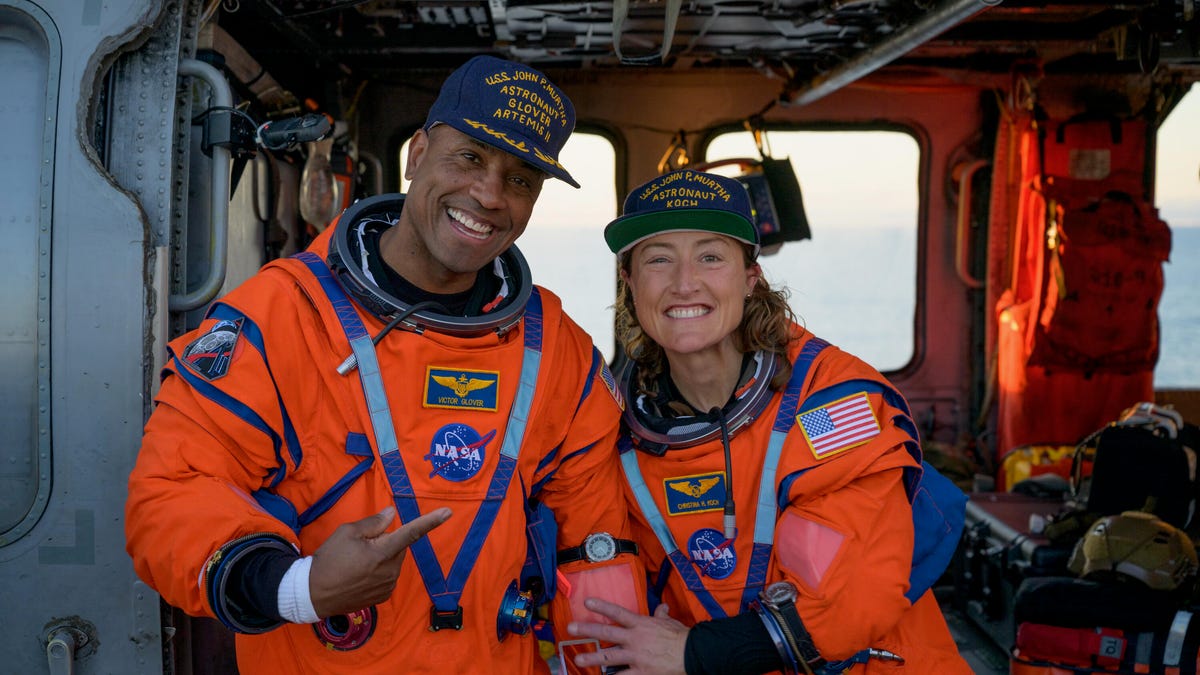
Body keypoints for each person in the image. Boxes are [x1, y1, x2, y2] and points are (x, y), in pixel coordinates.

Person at [125, 55, 644, 675]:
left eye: (521, 180)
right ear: (418, 151)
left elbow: (595, 548)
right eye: (470, 157)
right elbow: (172, 494)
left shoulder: (560, 353)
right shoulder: (282, 317)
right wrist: (300, 586)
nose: (489, 195)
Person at [565, 169, 971, 674]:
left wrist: (693, 654)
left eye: (711, 257)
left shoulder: (829, 402)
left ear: (750, 278)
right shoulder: (615, 429)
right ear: (629, 281)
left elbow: (855, 596)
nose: (684, 282)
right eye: (659, 259)